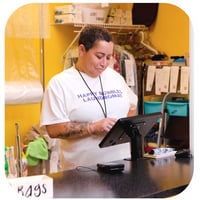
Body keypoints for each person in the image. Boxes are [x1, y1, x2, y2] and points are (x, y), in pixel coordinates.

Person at [40, 25, 138, 171]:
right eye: (99, 56)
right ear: (81, 50)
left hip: (123, 166)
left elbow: (132, 107)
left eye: (108, 57)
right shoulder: (60, 84)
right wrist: (92, 127)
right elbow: (54, 129)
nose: (104, 63)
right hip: (82, 172)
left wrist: (123, 127)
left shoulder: (115, 77)